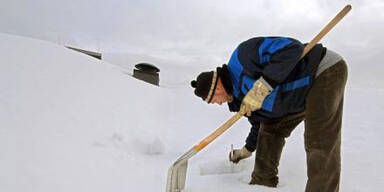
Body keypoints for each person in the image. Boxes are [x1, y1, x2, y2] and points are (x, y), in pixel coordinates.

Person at [190, 36, 347, 192]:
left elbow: (291, 48)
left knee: (318, 141)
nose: (218, 104)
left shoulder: (242, 56)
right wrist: (246, 150)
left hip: (321, 71)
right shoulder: (241, 100)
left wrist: (260, 89)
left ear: (217, 88)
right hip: (295, 97)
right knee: (269, 129)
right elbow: (258, 124)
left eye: (213, 100)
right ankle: (262, 184)